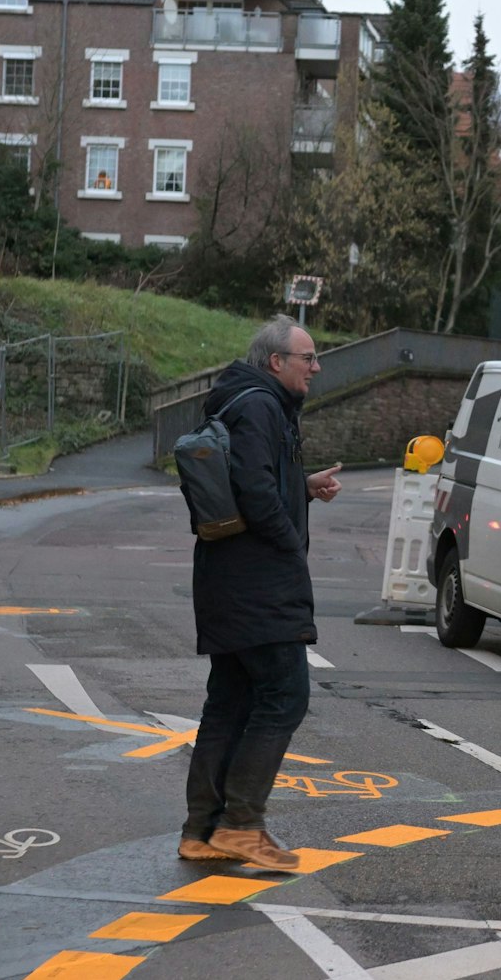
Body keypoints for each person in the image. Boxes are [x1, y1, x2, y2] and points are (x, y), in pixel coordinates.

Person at [180, 315, 341, 869]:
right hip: (258, 583)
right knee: (285, 696)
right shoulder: (260, 406)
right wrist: (290, 542)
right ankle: (241, 825)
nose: (316, 367)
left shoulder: (242, 401)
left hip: (229, 579)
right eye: (308, 357)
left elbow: (256, 476)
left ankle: (201, 830)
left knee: (229, 702)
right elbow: (254, 490)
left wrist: (304, 484)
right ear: (277, 362)